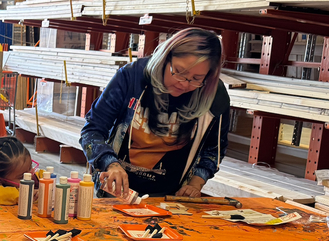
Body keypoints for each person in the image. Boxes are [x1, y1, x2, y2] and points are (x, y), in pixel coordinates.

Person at [80, 28, 230, 199]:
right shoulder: (132, 77)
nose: (184, 83)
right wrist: (110, 163)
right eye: (179, 72)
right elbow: (92, 131)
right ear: (165, 58)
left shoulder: (214, 95)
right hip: (117, 190)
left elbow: (214, 151)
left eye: (196, 79)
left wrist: (196, 183)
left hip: (171, 197)